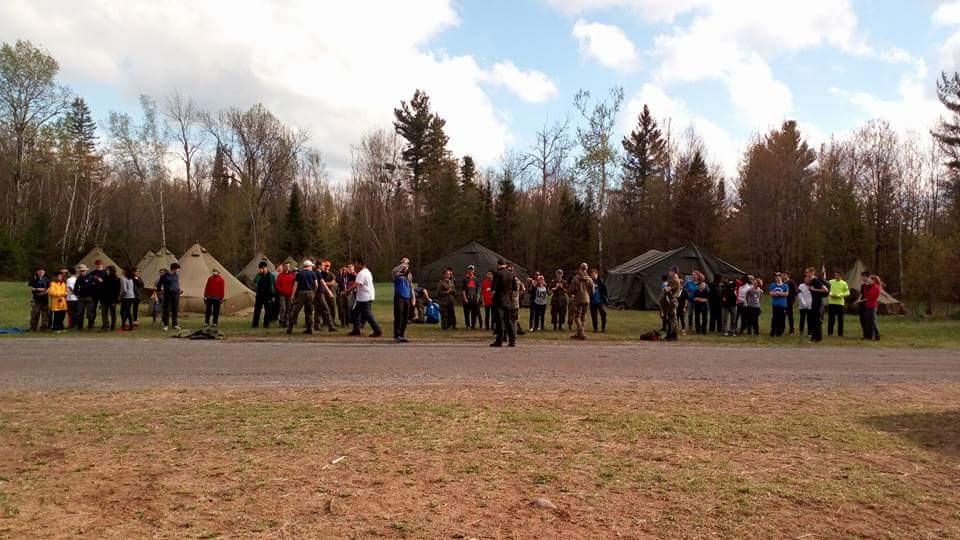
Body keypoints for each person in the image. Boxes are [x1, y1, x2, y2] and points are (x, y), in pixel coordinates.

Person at [346, 258, 382, 338]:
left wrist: (346, 291)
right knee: (355, 313)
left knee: (368, 315)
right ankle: (356, 330)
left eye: (356, 264)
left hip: (365, 297)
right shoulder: (367, 272)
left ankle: (377, 330)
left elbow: (356, 284)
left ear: (360, 264)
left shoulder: (362, 273)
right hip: (363, 297)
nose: (355, 266)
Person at [490, 259, 516, 347]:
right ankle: (512, 340)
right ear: (505, 265)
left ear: (498, 265)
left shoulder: (497, 273)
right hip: (508, 300)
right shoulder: (511, 274)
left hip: (498, 299)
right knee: (508, 320)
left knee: (499, 320)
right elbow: (515, 287)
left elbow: (493, 287)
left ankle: (499, 341)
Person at [287, 260, 318, 334]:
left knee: (295, 310)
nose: (312, 267)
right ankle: (309, 329)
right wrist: (313, 292)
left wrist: (293, 295)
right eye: (311, 266)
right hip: (310, 293)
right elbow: (316, 285)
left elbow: (295, 285)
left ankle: (290, 327)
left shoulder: (299, 274)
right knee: (309, 311)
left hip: (301, 293)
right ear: (309, 266)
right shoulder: (313, 273)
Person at [155, 262, 182, 332]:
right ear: (174, 268)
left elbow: (177, 283)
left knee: (174, 309)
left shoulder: (177, 276)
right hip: (167, 294)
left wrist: (179, 290)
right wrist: (159, 290)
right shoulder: (165, 276)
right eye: (178, 269)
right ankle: (166, 325)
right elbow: (159, 284)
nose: (178, 270)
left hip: (176, 294)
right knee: (166, 309)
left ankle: (175, 324)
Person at [392, 258, 413, 343]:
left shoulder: (409, 275)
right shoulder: (396, 274)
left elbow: (411, 287)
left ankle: (402, 334)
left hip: (407, 297)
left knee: (405, 317)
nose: (406, 266)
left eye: (407, 264)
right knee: (398, 316)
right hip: (399, 297)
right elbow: (394, 270)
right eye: (404, 264)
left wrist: (413, 298)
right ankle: (397, 335)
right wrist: (403, 264)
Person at [805, 267, 828, 342]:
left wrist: (814, 289)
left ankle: (818, 338)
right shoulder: (811, 281)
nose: (806, 274)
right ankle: (814, 337)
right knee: (813, 320)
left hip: (819, 303)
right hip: (814, 302)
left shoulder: (816, 280)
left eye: (807, 272)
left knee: (817, 321)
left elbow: (825, 289)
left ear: (812, 272)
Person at [857, 274, 882, 341]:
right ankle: (869, 336)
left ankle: (877, 336)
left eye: (870, 279)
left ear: (874, 280)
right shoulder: (871, 286)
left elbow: (869, 298)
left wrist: (860, 301)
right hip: (868, 305)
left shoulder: (876, 287)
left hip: (872, 306)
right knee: (869, 322)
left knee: (872, 322)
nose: (868, 280)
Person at [252, 261, 276, 328]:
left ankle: (266, 324)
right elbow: (255, 281)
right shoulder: (259, 275)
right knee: (257, 310)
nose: (261, 269)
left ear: (266, 267)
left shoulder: (271, 276)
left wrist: (273, 295)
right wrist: (259, 274)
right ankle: (255, 324)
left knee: (268, 311)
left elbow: (273, 286)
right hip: (259, 295)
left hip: (268, 296)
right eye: (260, 268)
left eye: (263, 268)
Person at [827, 270, 850, 337]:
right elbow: (827, 289)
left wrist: (839, 295)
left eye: (837, 275)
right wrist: (831, 294)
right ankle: (830, 333)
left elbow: (848, 293)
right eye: (835, 275)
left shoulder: (844, 283)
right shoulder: (830, 282)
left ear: (841, 276)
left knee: (840, 319)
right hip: (831, 303)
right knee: (831, 319)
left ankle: (840, 334)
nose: (836, 276)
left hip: (840, 304)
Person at [74, 264, 97, 330]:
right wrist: (76, 294)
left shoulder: (90, 277)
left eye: (83, 271)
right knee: (80, 312)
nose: (82, 272)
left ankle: (90, 326)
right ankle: (80, 327)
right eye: (81, 271)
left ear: (86, 271)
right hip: (81, 297)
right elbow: (76, 287)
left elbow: (94, 287)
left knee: (89, 313)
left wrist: (92, 295)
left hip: (89, 297)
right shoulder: (78, 279)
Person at [663, 266, 683, 341]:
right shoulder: (676, 279)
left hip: (672, 299)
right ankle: (670, 334)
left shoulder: (674, 280)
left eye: (670, 271)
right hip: (672, 299)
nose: (669, 272)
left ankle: (673, 335)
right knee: (671, 318)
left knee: (672, 318)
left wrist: (664, 288)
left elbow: (668, 289)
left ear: (674, 272)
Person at [99, 265, 121, 331]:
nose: (107, 271)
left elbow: (117, 291)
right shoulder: (105, 278)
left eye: (108, 270)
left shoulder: (116, 279)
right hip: (104, 299)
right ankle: (105, 325)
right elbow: (102, 289)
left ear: (112, 271)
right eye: (106, 270)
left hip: (112, 299)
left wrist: (115, 301)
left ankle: (112, 326)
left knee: (112, 313)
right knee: (104, 313)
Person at [318, 261, 339, 331]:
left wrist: (323, 283)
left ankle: (332, 321)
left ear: (329, 267)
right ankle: (325, 322)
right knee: (323, 307)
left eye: (328, 266)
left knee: (332, 306)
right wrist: (324, 283)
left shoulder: (331, 274)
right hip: (322, 293)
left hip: (330, 293)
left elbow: (333, 283)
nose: (326, 267)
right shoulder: (320, 273)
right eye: (325, 266)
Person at [27, 267, 50, 331]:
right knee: (35, 313)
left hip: (45, 299)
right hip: (36, 299)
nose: (41, 273)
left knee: (45, 314)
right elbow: (30, 287)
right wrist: (37, 289)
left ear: (44, 272)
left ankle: (44, 327)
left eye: (42, 272)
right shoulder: (34, 279)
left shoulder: (46, 279)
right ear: (37, 272)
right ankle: (33, 327)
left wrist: (45, 292)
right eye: (40, 272)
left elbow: (49, 287)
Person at [461, 265, 482, 330]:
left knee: (474, 313)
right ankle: (468, 325)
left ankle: (473, 325)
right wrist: (465, 298)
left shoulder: (476, 279)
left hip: (474, 298)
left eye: (472, 269)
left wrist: (477, 298)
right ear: (468, 270)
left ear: (473, 270)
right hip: (467, 298)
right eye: (469, 269)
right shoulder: (465, 278)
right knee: (466, 313)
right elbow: (463, 290)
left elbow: (478, 289)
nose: (471, 271)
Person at [274, 262, 295, 328]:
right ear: (283, 267)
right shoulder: (280, 275)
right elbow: (277, 285)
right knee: (283, 308)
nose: (287, 267)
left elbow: (294, 284)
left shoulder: (292, 275)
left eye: (288, 266)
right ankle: (281, 322)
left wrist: (292, 292)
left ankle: (287, 321)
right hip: (282, 294)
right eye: (286, 266)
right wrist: (282, 290)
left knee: (288, 308)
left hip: (290, 294)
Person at [589, 268, 608, 333]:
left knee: (603, 313)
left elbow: (605, 290)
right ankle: (595, 328)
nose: (592, 276)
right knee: (594, 316)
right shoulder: (589, 282)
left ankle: (603, 328)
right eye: (591, 275)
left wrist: (606, 298)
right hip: (592, 301)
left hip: (600, 301)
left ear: (597, 274)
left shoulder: (601, 281)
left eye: (593, 274)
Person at [509, 264, 526, 336]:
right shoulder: (506, 278)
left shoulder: (517, 280)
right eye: (509, 270)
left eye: (511, 270)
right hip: (507, 302)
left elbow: (523, 289)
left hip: (514, 302)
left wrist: (518, 295)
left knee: (514, 318)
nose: (510, 272)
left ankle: (514, 332)